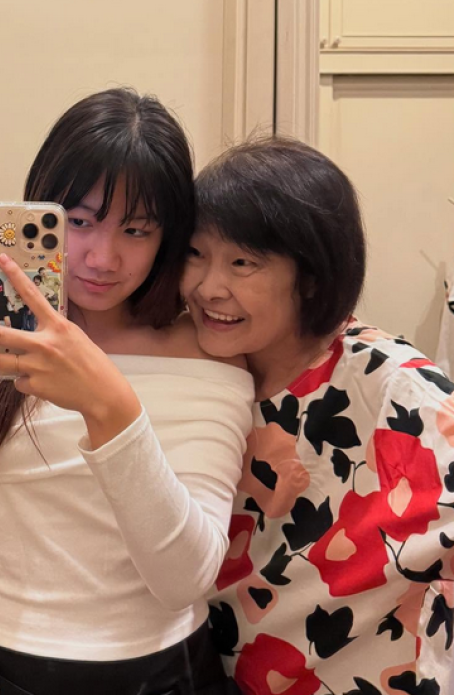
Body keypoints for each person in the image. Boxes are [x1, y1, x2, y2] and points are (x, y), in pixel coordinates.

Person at [0, 88, 255, 695]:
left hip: (164, 672)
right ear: (41, 212)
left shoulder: (206, 358)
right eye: (79, 221)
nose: (102, 257)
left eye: (136, 229)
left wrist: (108, 407)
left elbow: (186, 580)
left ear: (168, 236)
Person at [183, 138, 454, 695]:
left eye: (242, 262)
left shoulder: (394, 387)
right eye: (194, 254)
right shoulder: (185, 369)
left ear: (310, 275)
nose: (209, 287)